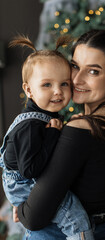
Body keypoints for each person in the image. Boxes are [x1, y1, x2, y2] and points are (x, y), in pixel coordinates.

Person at [16, 29, 105, 240]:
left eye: (93, 71)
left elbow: (33, 217)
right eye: (74, 66)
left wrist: (21, 208)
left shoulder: (81, 129)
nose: (77, 79)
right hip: (100, 230)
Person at [0, 35, 95, 240]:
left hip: (30, 187)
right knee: (77, 219)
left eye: (64, 84)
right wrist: (54, 134)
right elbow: (31, 169)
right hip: (26, 185)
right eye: (47, 85)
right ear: (28, 90)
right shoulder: (31, 127)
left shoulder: (45, 117)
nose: (57, 91)